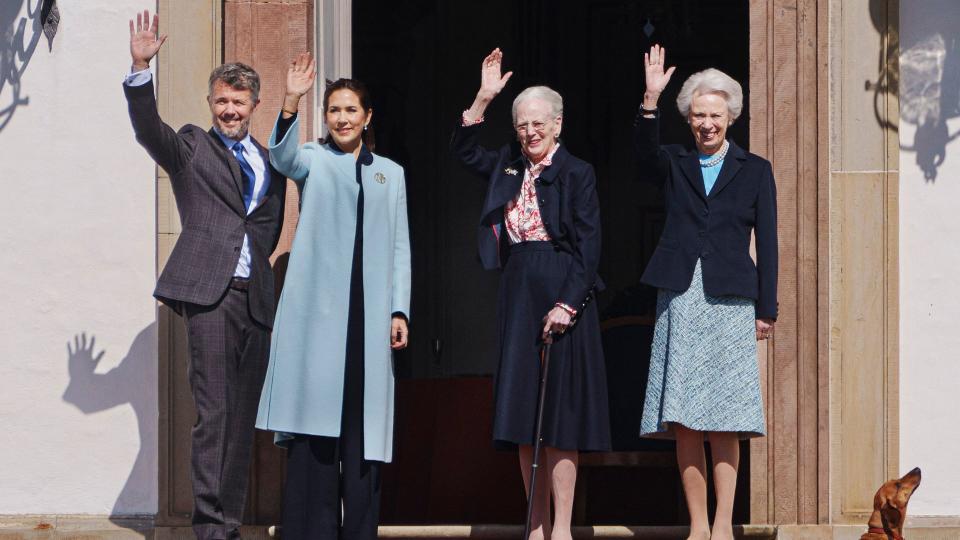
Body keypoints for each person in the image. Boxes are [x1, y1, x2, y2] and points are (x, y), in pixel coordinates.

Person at [123, 11, 285, 540]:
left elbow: (265, 225)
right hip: (209, 296)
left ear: (253, 107)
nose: (230, 109)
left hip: (254, 300)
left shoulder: (267, 160)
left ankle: (229, 525)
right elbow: (150, 131)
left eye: (239, 102)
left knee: (240, 422)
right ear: (211, 104)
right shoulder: (192, 146)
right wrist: (140, 67)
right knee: (214, 413)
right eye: (222, 101)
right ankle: (209, 529)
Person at [451, 48, 610, 540]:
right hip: (518, 289)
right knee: (523, 412)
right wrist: (483, 97)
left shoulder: (578, 173)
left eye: (538, 123)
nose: (530, 132)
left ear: (558, 125)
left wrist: (567, 304)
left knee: (560, 416)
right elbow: (463, 150)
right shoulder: (508, 167)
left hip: (565, 289)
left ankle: (562, 527)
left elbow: (590, 247)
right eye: (521, 124)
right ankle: (536, 527)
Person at [255, 53, 411, 540]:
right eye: (334, 110)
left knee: (362, 441)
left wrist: (398, 308)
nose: (342, 118)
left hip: (368, 323)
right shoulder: (313, 160)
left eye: (350, 110)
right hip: (319, 323)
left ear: (367, 117)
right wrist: (290, 101)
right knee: (316, 438)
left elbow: (401, 245)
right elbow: (281, 157)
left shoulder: (391, 172)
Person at [634, 45, 778, 540]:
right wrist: (650, 99)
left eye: (716, 115)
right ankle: (697, 525)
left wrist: (768, 308)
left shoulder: (755, 169)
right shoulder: (673, 161)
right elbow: (641, 159)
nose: (707, 124)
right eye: (698, 115)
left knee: (726, 417)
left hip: (733, 298)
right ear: (688, 118)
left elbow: (771, 244)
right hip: (682, 296)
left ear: (731, 116)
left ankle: (722, 525)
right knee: (687, 419)